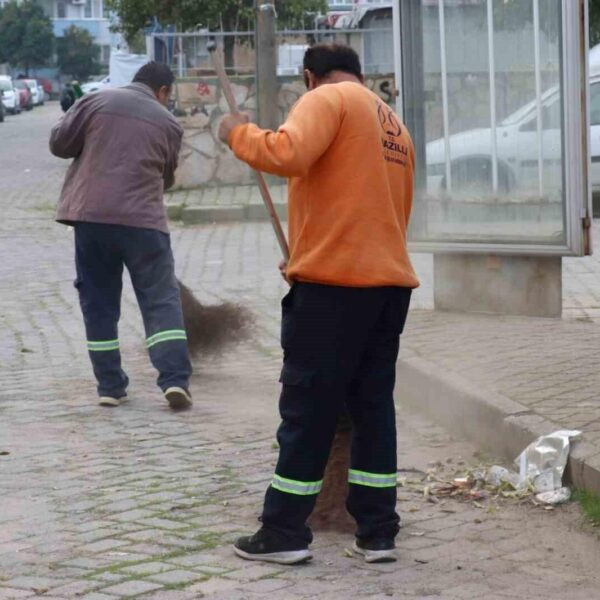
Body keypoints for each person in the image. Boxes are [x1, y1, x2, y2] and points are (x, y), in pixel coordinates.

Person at [218, 44, 419, 564]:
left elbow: (287, 155)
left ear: (310, 76)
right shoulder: (393, 124)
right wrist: (307, 255)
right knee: (373, 408)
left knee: (309, 408)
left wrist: (236, 134)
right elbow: (374, 209)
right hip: (387, 286)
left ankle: (283, 532)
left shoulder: (326, 99)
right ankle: (377, 533)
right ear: (361, 70)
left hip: (335, 291)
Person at [50, 62, 193, 411]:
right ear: (163, 92)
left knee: (98, 301)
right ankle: (174, 381)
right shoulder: (168, 123)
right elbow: (167, 177)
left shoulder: (96, 101)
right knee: (160, 300)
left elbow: (59, 144)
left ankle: (110, 387)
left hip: (92, 218)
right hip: (144, 223)